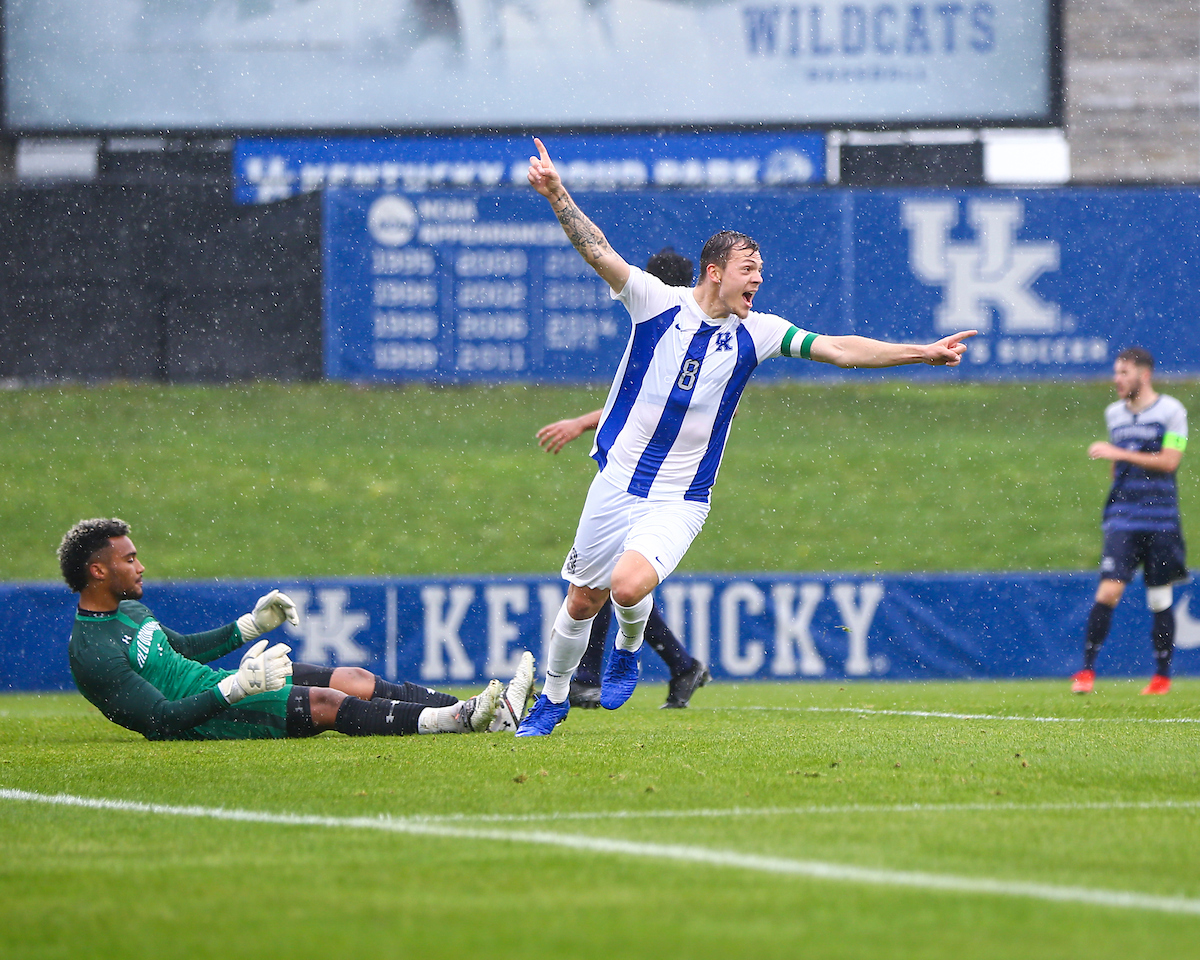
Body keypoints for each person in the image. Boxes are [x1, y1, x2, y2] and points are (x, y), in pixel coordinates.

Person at [516, 137, 976, 736]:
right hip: (617, 482)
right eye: (749, 269)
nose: (759, 279)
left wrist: (920, 352)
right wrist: (556, 193)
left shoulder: (758, 332)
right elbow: (597, 248)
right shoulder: (656, 302)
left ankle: (628, 650)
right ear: (715, 273)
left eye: (760, 270)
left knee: (628, 588)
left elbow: (839, 349)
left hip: (681, 496)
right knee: (581, 600)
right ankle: (552, 701)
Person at [60, 518, 535, 740]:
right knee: (329, 704)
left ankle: (487, 714)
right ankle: (458, 720)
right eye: (129, 560)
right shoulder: (91, 651)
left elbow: (179, 649)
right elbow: (160, 722)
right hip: (207, 718)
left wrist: (248, 626)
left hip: (216, 688)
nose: (140, 567)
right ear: (98, 572)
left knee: (352, 678)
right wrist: (233, 689)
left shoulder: (132, 613)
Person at [537, 245, 711, 710]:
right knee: (613, 586)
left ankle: (595, 675)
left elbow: (651, 407)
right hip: (642, 474)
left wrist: (580, 423)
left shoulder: (669, 321)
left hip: (658, 482)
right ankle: (671, 666)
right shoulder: (679, 324)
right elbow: (646, 404)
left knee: (609, 585)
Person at [1071, 348, 1189, 696]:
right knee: (1109, 589)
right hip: (1123, 516)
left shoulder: (1172, 411)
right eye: (1116, 372)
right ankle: (1087, 672)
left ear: (1144, 375)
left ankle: (1161, 677)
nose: (1117, 379)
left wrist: (1117, 452)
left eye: (1123, 373)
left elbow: (1170, 461)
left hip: (1161, 517)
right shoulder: (1114, 414)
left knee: (1158, 597)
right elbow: (1117, 467)